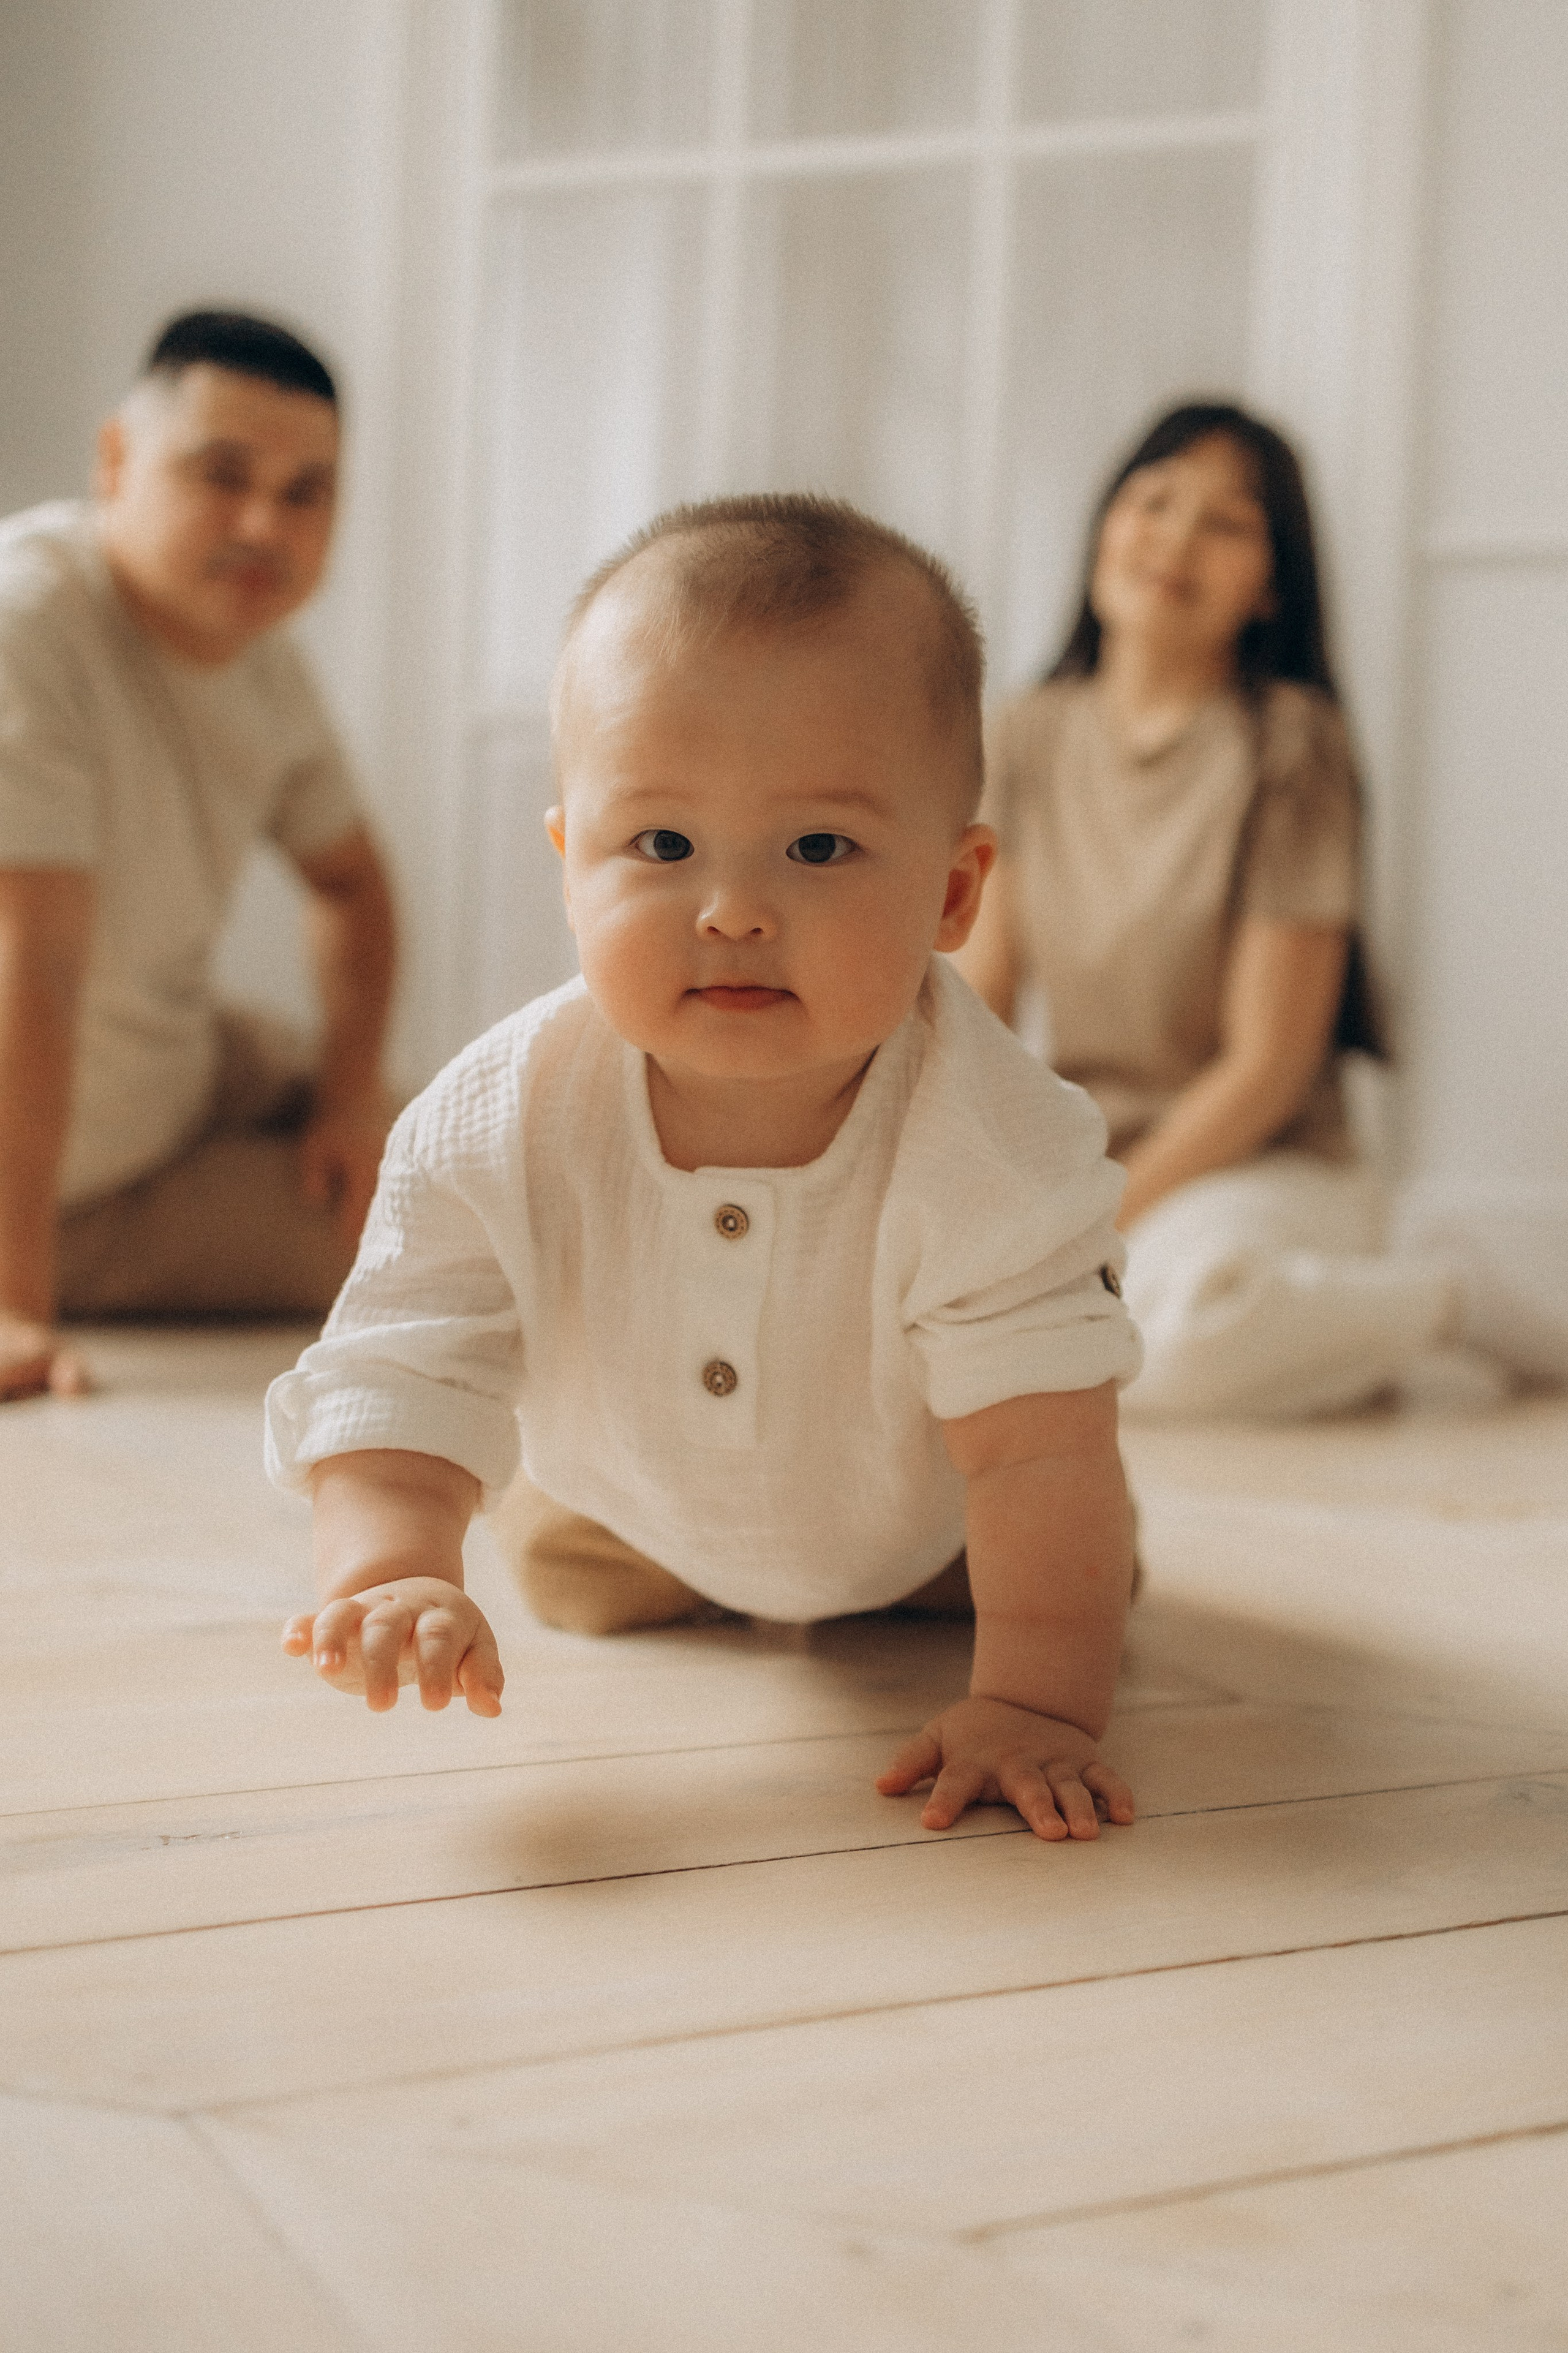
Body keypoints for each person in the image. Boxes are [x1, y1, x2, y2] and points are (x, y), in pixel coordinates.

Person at [265, 495, 1144, 1845]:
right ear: (571, 867)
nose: (731, 908)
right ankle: (663, 1558)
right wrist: (390, 1567)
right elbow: (407, 1359)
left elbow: (1033, 1451)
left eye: (817, 847)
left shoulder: (996, 1147)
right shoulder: (492, 1117)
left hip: (923, 1516)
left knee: (1053, 1538)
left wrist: (1038, 1699)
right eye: (661, 846)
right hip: (623, 1506)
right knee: (560, 1562)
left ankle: (1014, 1602)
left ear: (953, 896)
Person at [958, 401, 1458, 1421]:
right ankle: (1345, 1345)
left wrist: (1091, 1219)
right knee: (987, 1337)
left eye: (1226, 523)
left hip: (1257, 1172)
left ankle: (1442, 1301)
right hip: (1090, 1161)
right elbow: (981, 1003)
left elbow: (1268, 1067)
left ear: (1272, 585)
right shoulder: (1025, 734)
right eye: (1153, 502)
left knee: (1171, 1339)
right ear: (1105, 526)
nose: (1176, 540)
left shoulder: (1290, 745)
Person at [0, 309, 397, 1403]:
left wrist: (349, 1098)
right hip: (62, 1173)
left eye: (306, 492)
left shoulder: (261, 658)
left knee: (450, 1137)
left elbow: (356, 888)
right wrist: (14, 1309)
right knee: (432, 1231)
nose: (265, 524)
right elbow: (28, 968)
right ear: (116, 461)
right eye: (224, 474)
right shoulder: (26, 623)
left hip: (172, 1058)